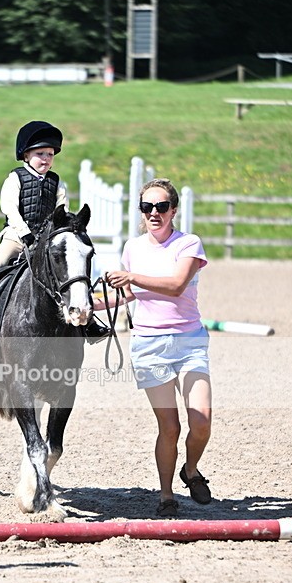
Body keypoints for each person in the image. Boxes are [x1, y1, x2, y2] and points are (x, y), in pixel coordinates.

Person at [106, 178, 212, 518]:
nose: (154, 213)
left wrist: (132, 277)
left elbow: (177, 286)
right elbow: (126, 295)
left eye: (161, 207)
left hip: (189, 342)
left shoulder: (189, 244)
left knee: (202, 421)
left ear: (173, 210)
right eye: (147, 207)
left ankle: (191, 470)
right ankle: (166, 496)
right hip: (149, 345)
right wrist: (86, 307)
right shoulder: (133, 248)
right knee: (170, 428)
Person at [0, 120, 109, 342]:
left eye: (50, 154)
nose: (46, 159)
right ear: (26, 155)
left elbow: (61, 211)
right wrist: (24, 232)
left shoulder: (57, 182)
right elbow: (9, 208)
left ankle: (88, 321)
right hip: (16, 237)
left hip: (46, 241)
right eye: (40, 154)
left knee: (69, 274)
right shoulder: (15, 177)